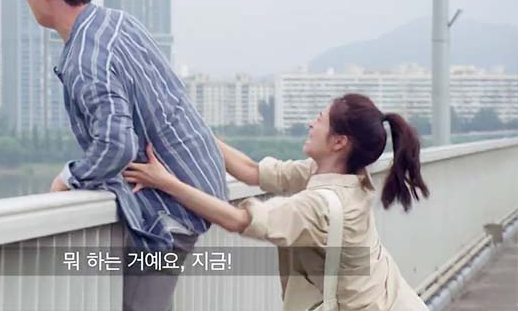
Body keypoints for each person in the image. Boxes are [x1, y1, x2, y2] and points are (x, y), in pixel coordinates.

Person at [11, 0, 228, 311]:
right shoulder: (119, 23)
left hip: (170, 214)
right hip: (197, 189)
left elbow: (117, 143)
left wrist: (68, 178)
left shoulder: (86, 58)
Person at [125, 93, 431, 310]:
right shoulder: (333, 174)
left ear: (339, 142)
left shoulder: (320, 205)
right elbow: (250, 171)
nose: (311, 124)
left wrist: (166, 182)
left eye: (319, 120)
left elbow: (239, 220)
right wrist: (191, 130)